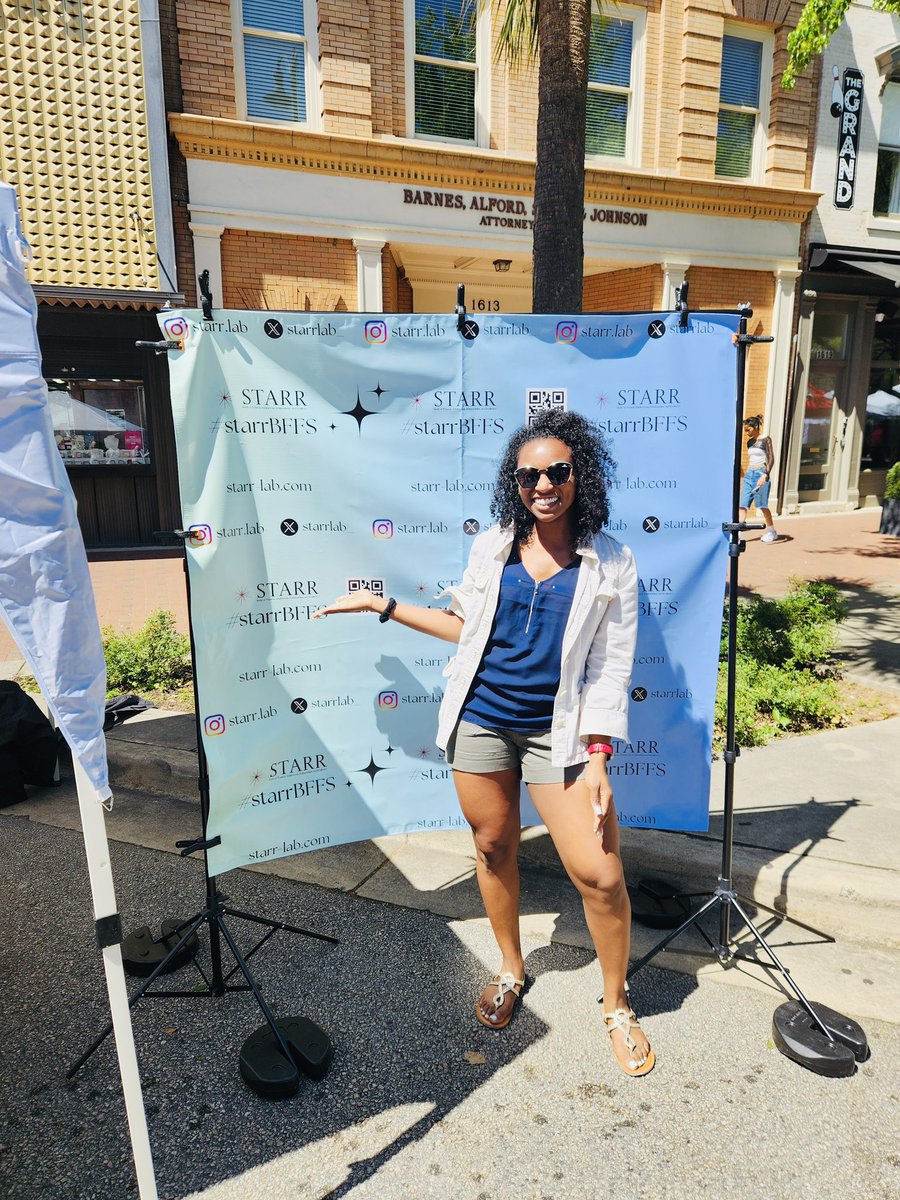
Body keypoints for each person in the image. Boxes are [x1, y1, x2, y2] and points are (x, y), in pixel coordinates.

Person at [314, 410, 653, 1077]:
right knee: (493, 846)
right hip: (482, 721)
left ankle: (616, 1004)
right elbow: (463, 630)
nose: (544, 485)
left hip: (558, 734)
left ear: (578, 474)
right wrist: (380, 606)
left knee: (601, 875)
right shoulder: (494, 545)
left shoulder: (612, 559)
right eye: (530, 475)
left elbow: (612, 668)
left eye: (557, 471)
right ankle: (510, 965)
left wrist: (600, 756)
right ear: (515, 483)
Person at [739, 414, 778, 542]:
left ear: (755, 427)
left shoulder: (765, 439)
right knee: (742, 505)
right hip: (750, 473)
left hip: (761, 473)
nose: (746, 433)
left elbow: (771, 458)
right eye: (745, 430)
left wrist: (765, 474)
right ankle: (738, 534)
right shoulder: (749, 442)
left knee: (762, 506)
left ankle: (772, 531)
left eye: (748, 429)